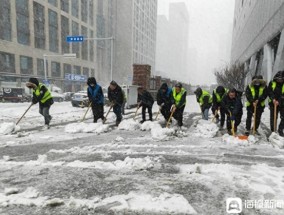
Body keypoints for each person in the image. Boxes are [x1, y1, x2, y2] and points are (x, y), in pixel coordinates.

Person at [268, 71, 284, 136]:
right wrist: (273, 99)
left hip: (282, 103)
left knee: (283, 117)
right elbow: (269, 91)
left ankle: (280, 130)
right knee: (273, 117)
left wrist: (279, 101)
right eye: (278, 79)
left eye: (281, 79)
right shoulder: (272, 83)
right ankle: (273, 130)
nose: (279, 80)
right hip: (273, 103)